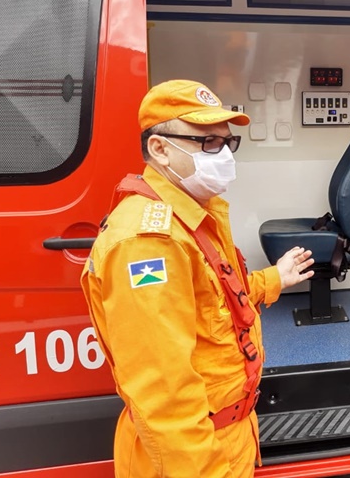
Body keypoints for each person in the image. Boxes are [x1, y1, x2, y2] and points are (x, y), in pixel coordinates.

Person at [80, 79, 315, 477]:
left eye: (226, 143)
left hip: (228, 436)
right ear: (160, 149)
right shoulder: (148, 243)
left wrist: (274, 278)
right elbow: (165, 397)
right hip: (197, 457)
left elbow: (218, 298)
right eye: (207, 143)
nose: (222, 154)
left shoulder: (193, 216)